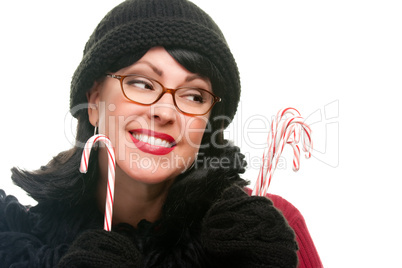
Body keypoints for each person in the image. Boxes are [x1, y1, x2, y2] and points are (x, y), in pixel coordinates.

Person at [0, 0, 322, 267]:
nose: (166, 112)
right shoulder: (17, 243)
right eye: (141, 83)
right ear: (95, 99)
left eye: (194, 95)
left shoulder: (269, 229)